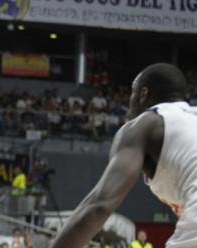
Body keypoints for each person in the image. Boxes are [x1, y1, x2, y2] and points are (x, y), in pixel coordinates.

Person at [50, 63, 195, 247]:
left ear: (143, 94)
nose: (129, 103)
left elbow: (99, 205)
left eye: (132, 94)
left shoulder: (146, 123)